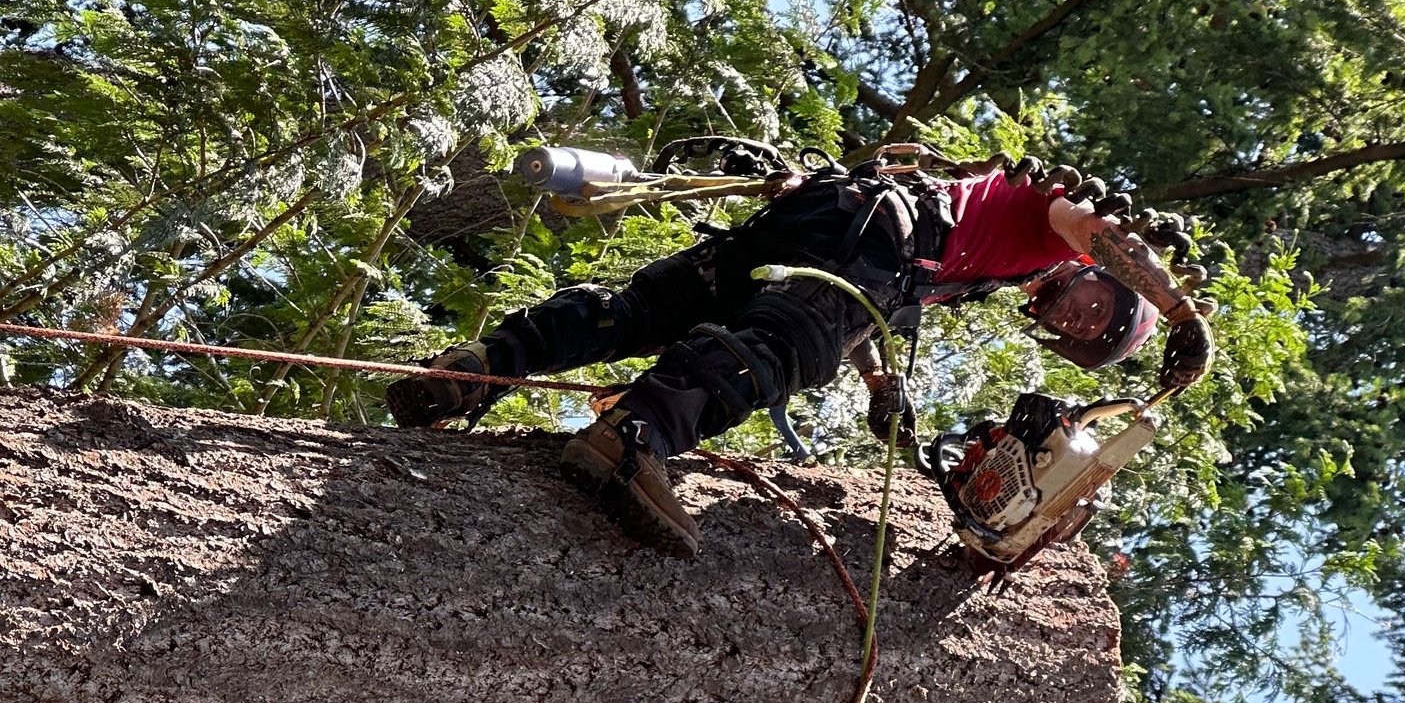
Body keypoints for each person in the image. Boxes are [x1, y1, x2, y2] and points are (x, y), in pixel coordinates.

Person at [385, 156, 1214, 557]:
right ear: (1101, 277)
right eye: (1099, 302)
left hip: (836, 219)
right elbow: (1101, 232)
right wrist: (1175, 309)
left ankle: (482, 366)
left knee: (653, 312)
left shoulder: (988, 259)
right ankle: (635, 438)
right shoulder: (1056, 218)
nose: (1078, 312)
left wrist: (882, 382)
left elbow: (864, 309)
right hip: (877, 231)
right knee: (785, 349)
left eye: (1083, 328)